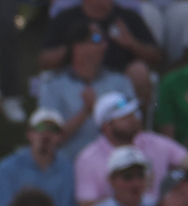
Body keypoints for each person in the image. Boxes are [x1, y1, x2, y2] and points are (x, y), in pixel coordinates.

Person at [43, 0, 161, 101]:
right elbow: (45, 60)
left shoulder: (128, 16)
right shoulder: (66, 18)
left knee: (139, 71)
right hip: (75, 86)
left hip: (120, 86)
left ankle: (133, 121)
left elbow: (156, 58)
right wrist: (77, 46)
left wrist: (131, 43)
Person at [37, 24, 134, 164]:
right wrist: (85, 112)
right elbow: (49, 138)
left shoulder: (120, 83)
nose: (105, 45)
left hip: (116, 164)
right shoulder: (53, 87)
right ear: (77, 46)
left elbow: (133, 128)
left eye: (104, 39)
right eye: (97, 39)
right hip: (69, 165)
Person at [76, 92, 188, 206]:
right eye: (125, 117)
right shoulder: (87, 159)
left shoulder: (155, 142)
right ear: (107, 126)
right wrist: (126, 198)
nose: (134, 120)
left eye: (133, 114)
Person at [0, 108, 79, 206]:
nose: (46, 134)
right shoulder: (7, 168)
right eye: (41, 128)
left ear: (60, 137)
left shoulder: (71, 169)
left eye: (53, 130)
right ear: (29, 134)